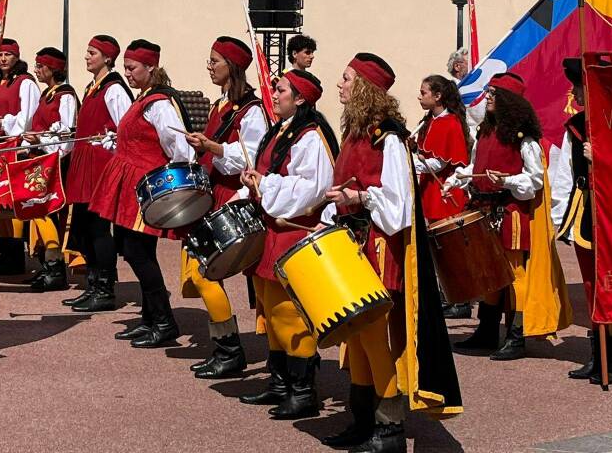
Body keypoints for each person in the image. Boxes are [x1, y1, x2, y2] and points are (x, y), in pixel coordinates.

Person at [323, 53, 462, 453]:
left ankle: (389, 428)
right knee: (359, 338)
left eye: (346, 78)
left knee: (372, 336)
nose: (340, 85)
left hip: (379, 247)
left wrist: (359, 196)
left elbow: (399, 207)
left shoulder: (390, 138)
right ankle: (364, 418)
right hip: (353, 244)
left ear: (364, 87)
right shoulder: (354, 135)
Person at [228, 70, 336, 419]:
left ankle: (303, 391)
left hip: (292, 229)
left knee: (290, 312)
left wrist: (267, 185)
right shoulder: (281, 130)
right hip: (271, 228)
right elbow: (267, 174)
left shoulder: (311, 137)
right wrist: (251, 183)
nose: (273, 94)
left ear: (301, 98)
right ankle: (279, 383)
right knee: (270, 309)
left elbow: (312, 189)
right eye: (275, 89)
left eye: (281, 90)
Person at [444, 72, 571, 361]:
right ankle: (487, 331)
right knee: (490, 274)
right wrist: (457, 179)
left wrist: (507, 181)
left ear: (507, 101)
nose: (488, 97)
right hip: (484, 211)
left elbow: (534, 181)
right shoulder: (484, 133)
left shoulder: (523, 140)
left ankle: (517, 337)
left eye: (493, 93)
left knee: (516, 275)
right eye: (488, 92)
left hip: (510, 213)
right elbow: (474, 167)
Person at [89, 39, 193, 348]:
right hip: (130, 184)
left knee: (138, 252)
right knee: (135, 250)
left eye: (132, 68)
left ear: (151, 68)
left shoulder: (159, 104)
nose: (128, 74)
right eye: (125, 68)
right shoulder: (144, 99)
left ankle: (163, 321)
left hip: (146, 187)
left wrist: (172, 188)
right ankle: (150, 319)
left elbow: (179, 147)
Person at [183, 36, 268, 379]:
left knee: (207, 275)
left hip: (234, 198)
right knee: (200, 274)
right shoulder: (221, 105)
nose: (209, 66)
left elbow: (251, 159)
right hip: (212, 192)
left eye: (214, 60)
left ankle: (232, 350)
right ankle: (227, 347)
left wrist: (213, 148)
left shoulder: (253, 112)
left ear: (231, 67)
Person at [554, 57, 612, 384]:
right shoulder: (577, 125)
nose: (573, 91)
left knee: (611, 286)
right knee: (591, 287)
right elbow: (566, 176)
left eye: (578, 85)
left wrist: (601, 159)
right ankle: (597, 357)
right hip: (585, 211)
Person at [62, 36, 132, 313]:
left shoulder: (114, 89)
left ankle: (105, 288)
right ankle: (93, 282)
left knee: (98, 229)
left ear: (107, 57)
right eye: (87, 51)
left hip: (101, 166)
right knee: (83, 227)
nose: (87, 57)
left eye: (92, 53)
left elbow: (126, 129)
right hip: (85, 163)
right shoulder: (93, 88)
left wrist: (109, 141)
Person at [413, 74, 472, 319]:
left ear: (437, 96)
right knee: (437, 249)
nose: (419, 96)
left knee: (450, 249)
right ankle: (447, 295)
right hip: (430, 191)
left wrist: (408, 160)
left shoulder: (449, 123)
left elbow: (437, 163)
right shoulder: (430, 121)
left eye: (424, 92)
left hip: (445, 193)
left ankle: (460, 300)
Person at [21, 47, 79, 293]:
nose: (37, 69)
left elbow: (66, 136)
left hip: (55, 163)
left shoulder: (65, 96)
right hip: (40, 161)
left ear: (52, 68)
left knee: (45, 211)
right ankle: (48, 264)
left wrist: (40, 142)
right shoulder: (48, 94)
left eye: (40, 65)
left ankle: (56, 268)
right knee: (38, 211)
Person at [0, 39, 40, 276]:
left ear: (17, 58)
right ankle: (5, 252)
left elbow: (28, 117)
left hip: (14, 147)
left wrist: (4, 123)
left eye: (8, 55)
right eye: (0, 55)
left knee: (13, 203)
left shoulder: (25, 83)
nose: (3, 59)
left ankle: (16, 256)